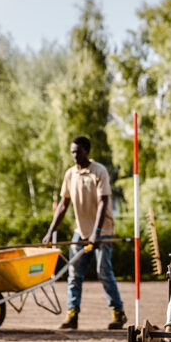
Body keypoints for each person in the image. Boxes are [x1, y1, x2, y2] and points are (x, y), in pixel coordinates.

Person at [43, 135, 126, 330]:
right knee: (74, 273)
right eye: (72, 152)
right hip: (80, 231)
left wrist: (96, 232)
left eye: (78, 151)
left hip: (102, 230)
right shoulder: (70, 174)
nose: (74, 155)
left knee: (103, 271)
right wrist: (50, 231)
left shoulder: (99, 171)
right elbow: (63, 205)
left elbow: (103, 202)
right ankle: (72, 314)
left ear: (87, 151)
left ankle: (118, 313)